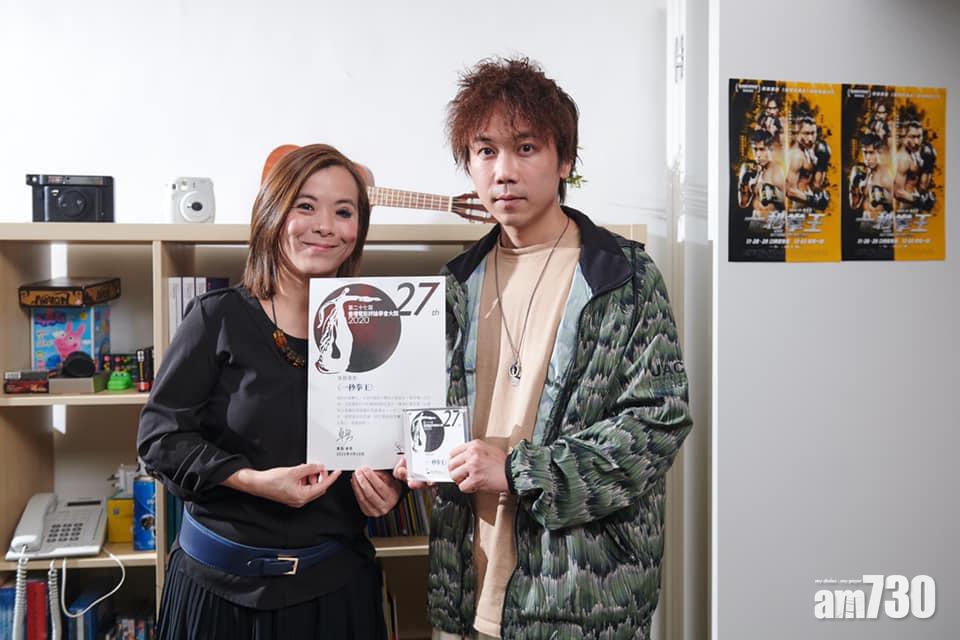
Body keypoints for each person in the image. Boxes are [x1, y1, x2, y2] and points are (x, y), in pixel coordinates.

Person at [395, 57, 692, 640]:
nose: (504, 172)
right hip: (466, 587)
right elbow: (429, 414)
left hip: (581, 598)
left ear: (565, 162)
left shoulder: (622, 277)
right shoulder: (452, 286)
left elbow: (657, 423)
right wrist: (416, 456)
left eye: (525, 148)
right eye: (485, 151)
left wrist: (517, 470)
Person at [137, 144, 403, 639]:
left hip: (335, 592)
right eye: (306, 206)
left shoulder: (381, 328)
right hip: (218, 596)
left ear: (359, 230)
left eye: (344, 212)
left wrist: (391, 487)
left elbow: (395, 442)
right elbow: (159, 440)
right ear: (271, 214)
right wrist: (251, 481)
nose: (325, 226)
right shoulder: (216, 317)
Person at [738, 129, 786, 232]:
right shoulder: (752, 169)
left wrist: (774, 195)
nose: (758, 154)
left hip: (771, 224)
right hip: (755, 221)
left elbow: (787, 204)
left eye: (762, 149)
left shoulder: (776, 170)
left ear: (770, 149)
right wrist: (744, 182)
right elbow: (743, 203)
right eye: (755, 149)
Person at [785, 115, 831, 211]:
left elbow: (816, 185)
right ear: (797, 134)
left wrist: (822, 165)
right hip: (798, 207)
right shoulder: (796, 156)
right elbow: (790, 191)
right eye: (806, 133)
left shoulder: (808, 151)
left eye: (812, 133)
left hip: (807, 203)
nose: (810, 138)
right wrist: (814, 200)